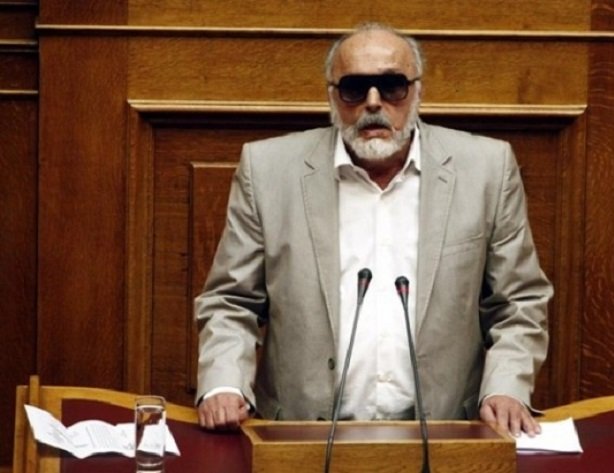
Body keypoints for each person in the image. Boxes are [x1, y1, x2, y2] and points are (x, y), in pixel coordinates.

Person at [195, 22, 552, 438]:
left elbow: (519, 301)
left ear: (417, 91)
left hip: (444, 433)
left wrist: (506, 388)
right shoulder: (268, 170)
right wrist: (224, 383)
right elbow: (231, 300)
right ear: (332, 96)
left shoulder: (486, 168)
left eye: (392, 86)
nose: (373, 102)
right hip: (301, 436)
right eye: (354, 88)